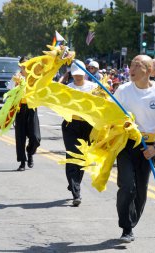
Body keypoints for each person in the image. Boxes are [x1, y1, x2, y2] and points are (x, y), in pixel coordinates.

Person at [114, 55, 155, 243]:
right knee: (127, 186)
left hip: (148, 146)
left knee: (140, 192)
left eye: (137, 65)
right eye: (131, 64)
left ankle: (131, 222)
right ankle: (126, 228)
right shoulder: (123, 90)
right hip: (125, 144)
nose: (131, 68)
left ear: (149, 70)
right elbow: (109, 114)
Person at [62, 60, 97, 206]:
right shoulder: (68, 88)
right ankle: (76, 192)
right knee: (72, 155)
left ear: (85, 74)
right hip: (71, 124)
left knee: (82, 158)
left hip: (88, 126)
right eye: (75, 75)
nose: (78, 77)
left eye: (80, 75)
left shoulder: (94, 87)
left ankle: (74, 182)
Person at [10, 56, 41, 171]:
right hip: (20, 108)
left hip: (32, 107)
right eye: (23, 65)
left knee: (36, 138)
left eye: (28, 64)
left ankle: (30, 152)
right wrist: (16, 84)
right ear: (20, 66)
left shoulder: (35, 77)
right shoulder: (16, 77)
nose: (25, 67)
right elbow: (10, 93)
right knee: (20, 136)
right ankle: (22, 162)